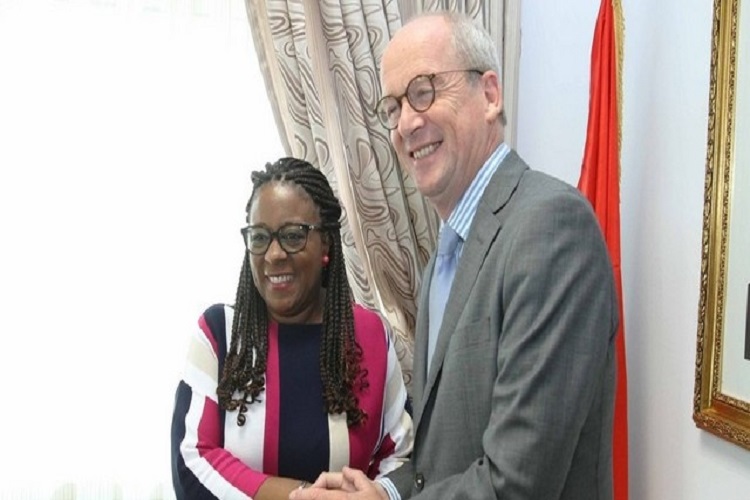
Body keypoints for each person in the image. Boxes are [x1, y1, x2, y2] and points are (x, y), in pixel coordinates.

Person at [291, 11, 618, 500]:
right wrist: (383, 493)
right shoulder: (442, 259)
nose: (406, 122)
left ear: (489, 95)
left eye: (423, 91)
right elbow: (439, 461)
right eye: (393, 107)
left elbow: (518, 483)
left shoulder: (552, 228)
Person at [170, 157, 414, 499]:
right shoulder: (219, 334)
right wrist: (301, 496)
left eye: (292, 236)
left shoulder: (367, 334)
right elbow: (191, 461)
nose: (273, 255)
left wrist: (374, 495)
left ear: (325, 243)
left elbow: (403, 458)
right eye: (260, 237)